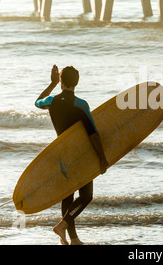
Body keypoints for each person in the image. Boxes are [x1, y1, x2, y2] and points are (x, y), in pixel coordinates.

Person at [35, 65, 108, 245]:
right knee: (86, 196)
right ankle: (63, 226)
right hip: (80, 155)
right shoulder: (80, 104)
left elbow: (37, 102)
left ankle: (72, 239)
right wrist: (102, 158)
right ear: (77, 82)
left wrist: (51, 84)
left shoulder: (51, 101)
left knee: (67, 196)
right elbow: (93, 133)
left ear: (61, 81)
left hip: (62, 155)